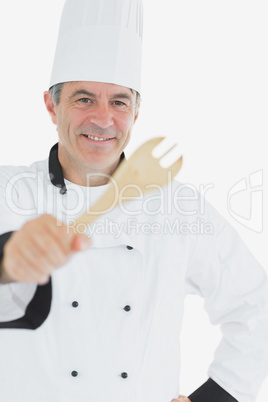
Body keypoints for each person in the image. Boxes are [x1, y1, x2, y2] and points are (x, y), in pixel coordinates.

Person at [0, 1, 268, 401]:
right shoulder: (7, 189)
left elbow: (256, 304)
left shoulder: (180, 207)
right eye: (84, 99)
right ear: (51, 105)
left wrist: (214, 399)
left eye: (120, 102)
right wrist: (6, 259)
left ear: (137, 112)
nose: (104, 120)